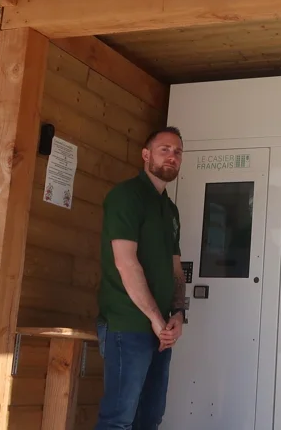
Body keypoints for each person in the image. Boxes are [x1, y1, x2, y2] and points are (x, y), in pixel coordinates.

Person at [95, 127, 187, 430]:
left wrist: (178, 314)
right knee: (118, 420)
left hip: (161, 330)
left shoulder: (170, 210)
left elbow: (176, 267)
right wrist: (155, 318)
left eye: (177, 152)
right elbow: (125, 263)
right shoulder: (126, 196)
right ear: (146, 155)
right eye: (164, 149)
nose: (172, 156)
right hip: (128, 325)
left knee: (150, 418)